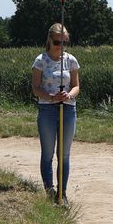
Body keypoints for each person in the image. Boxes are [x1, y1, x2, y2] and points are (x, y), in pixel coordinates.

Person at [31, 23, 80, 199]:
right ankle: (49, 190)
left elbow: (76, 86)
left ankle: (62, 193)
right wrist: (51, 97)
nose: (61, 46)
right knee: (48, 153)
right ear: (50, 40)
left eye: (64, 42)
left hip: (68, 109)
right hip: (47, 109)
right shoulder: (40, 60)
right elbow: (35, 88)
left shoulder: (71, 60)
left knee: (64, 154)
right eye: (58, 42)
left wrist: (68, 95)